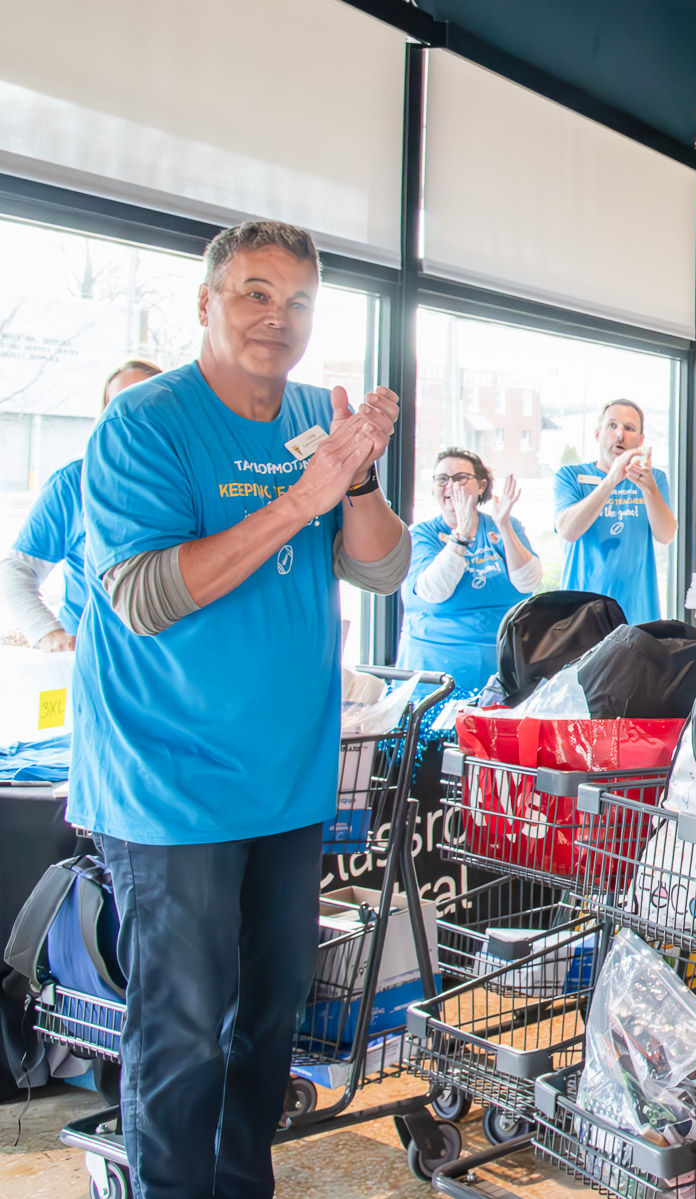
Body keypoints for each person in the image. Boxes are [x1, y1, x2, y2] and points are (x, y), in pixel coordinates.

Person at [71, 220, 408, 1197]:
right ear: (207, 302)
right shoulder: (144, 424)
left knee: (269, 1018)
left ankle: (236, 1182)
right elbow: (143, 595)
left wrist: (363, 477)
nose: (278, 316)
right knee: (180, 1023)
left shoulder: (318, 413)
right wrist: (305, 497)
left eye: (297, 300)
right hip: (166, 779)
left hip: (287, 777)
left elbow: (381, 565)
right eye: (255, 292)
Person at [1, 359, 162, 650]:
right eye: (119, 403)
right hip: (95, 662)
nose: (131, 412)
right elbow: (17, 569)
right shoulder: (74, 482)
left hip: (167, 664)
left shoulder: (189, 480)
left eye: (145, 399)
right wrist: (49, 634)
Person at [397, 448, 541, 691]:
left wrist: (504, 526)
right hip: (435, 675)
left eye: (460, 478)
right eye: (442, 479)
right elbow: (433, 592)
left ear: (481, 486)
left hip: (503, 669)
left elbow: (528, 582)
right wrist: (460, 538)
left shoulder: (504, 526)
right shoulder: (420, 534)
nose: (450, 486)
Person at [553, 399, 675, 623]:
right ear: (598, 434)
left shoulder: (654, 479)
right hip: (580, 616)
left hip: (638, 613)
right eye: (612, 426)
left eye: (629, 428)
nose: (620, 434)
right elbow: (568, 531)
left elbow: (666, 535)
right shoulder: (569, 476)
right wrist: (610, 481)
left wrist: (649, 489)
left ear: (640, 440)